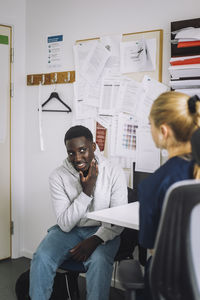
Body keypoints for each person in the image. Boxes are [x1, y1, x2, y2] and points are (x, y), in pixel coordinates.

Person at [29, 125, 127, 300]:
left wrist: (96, 239)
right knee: (42, 257)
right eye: (71, 153)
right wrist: (86, 192)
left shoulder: (114, 171)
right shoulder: (57, 176)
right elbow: (65, 224)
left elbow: (119, 219)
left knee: (98, 262)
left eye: (83, 150)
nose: (77, 158)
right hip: (70, 230)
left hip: (103, 230)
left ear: (93, 147)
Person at [137, 92, 200, 299]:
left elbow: (154, 248)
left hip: (173, 287)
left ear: (163, 131)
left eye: (150, 125)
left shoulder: (152, 185)